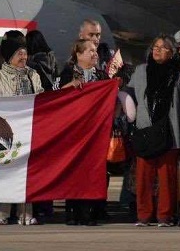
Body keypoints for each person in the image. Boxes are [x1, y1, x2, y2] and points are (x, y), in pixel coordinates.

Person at [129, 35, 180, 227]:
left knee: (167, 176)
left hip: (170, 129)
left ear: (171, 52)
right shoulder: (140, 71)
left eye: (162, 48)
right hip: (146, 128)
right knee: (144, 176)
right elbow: (129, 93)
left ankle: (164, 215)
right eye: (155, 47)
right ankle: (144, 215)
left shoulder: (179, 73)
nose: (157, 50)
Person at [0, 37, 43, 225]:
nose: (23, 56)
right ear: (9, 55)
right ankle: (2, 213)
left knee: (27, 172)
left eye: (25, 52)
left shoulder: (33, 75)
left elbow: (41, 97)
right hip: (6, 131)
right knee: (6, 172)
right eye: (19, 53)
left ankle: (25, 212)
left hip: (28, 130)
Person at [59, 39, 109, 225]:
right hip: (74, 130)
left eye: (95, 50)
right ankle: (72, 210)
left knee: (93, 172)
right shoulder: (67, 73)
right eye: (90, 51)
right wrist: (71, 85)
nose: (95, 53)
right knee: (74, 170)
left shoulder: (102, 76)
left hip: (96, 131)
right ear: (78, 55)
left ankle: (91, 212)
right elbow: (55, 95)